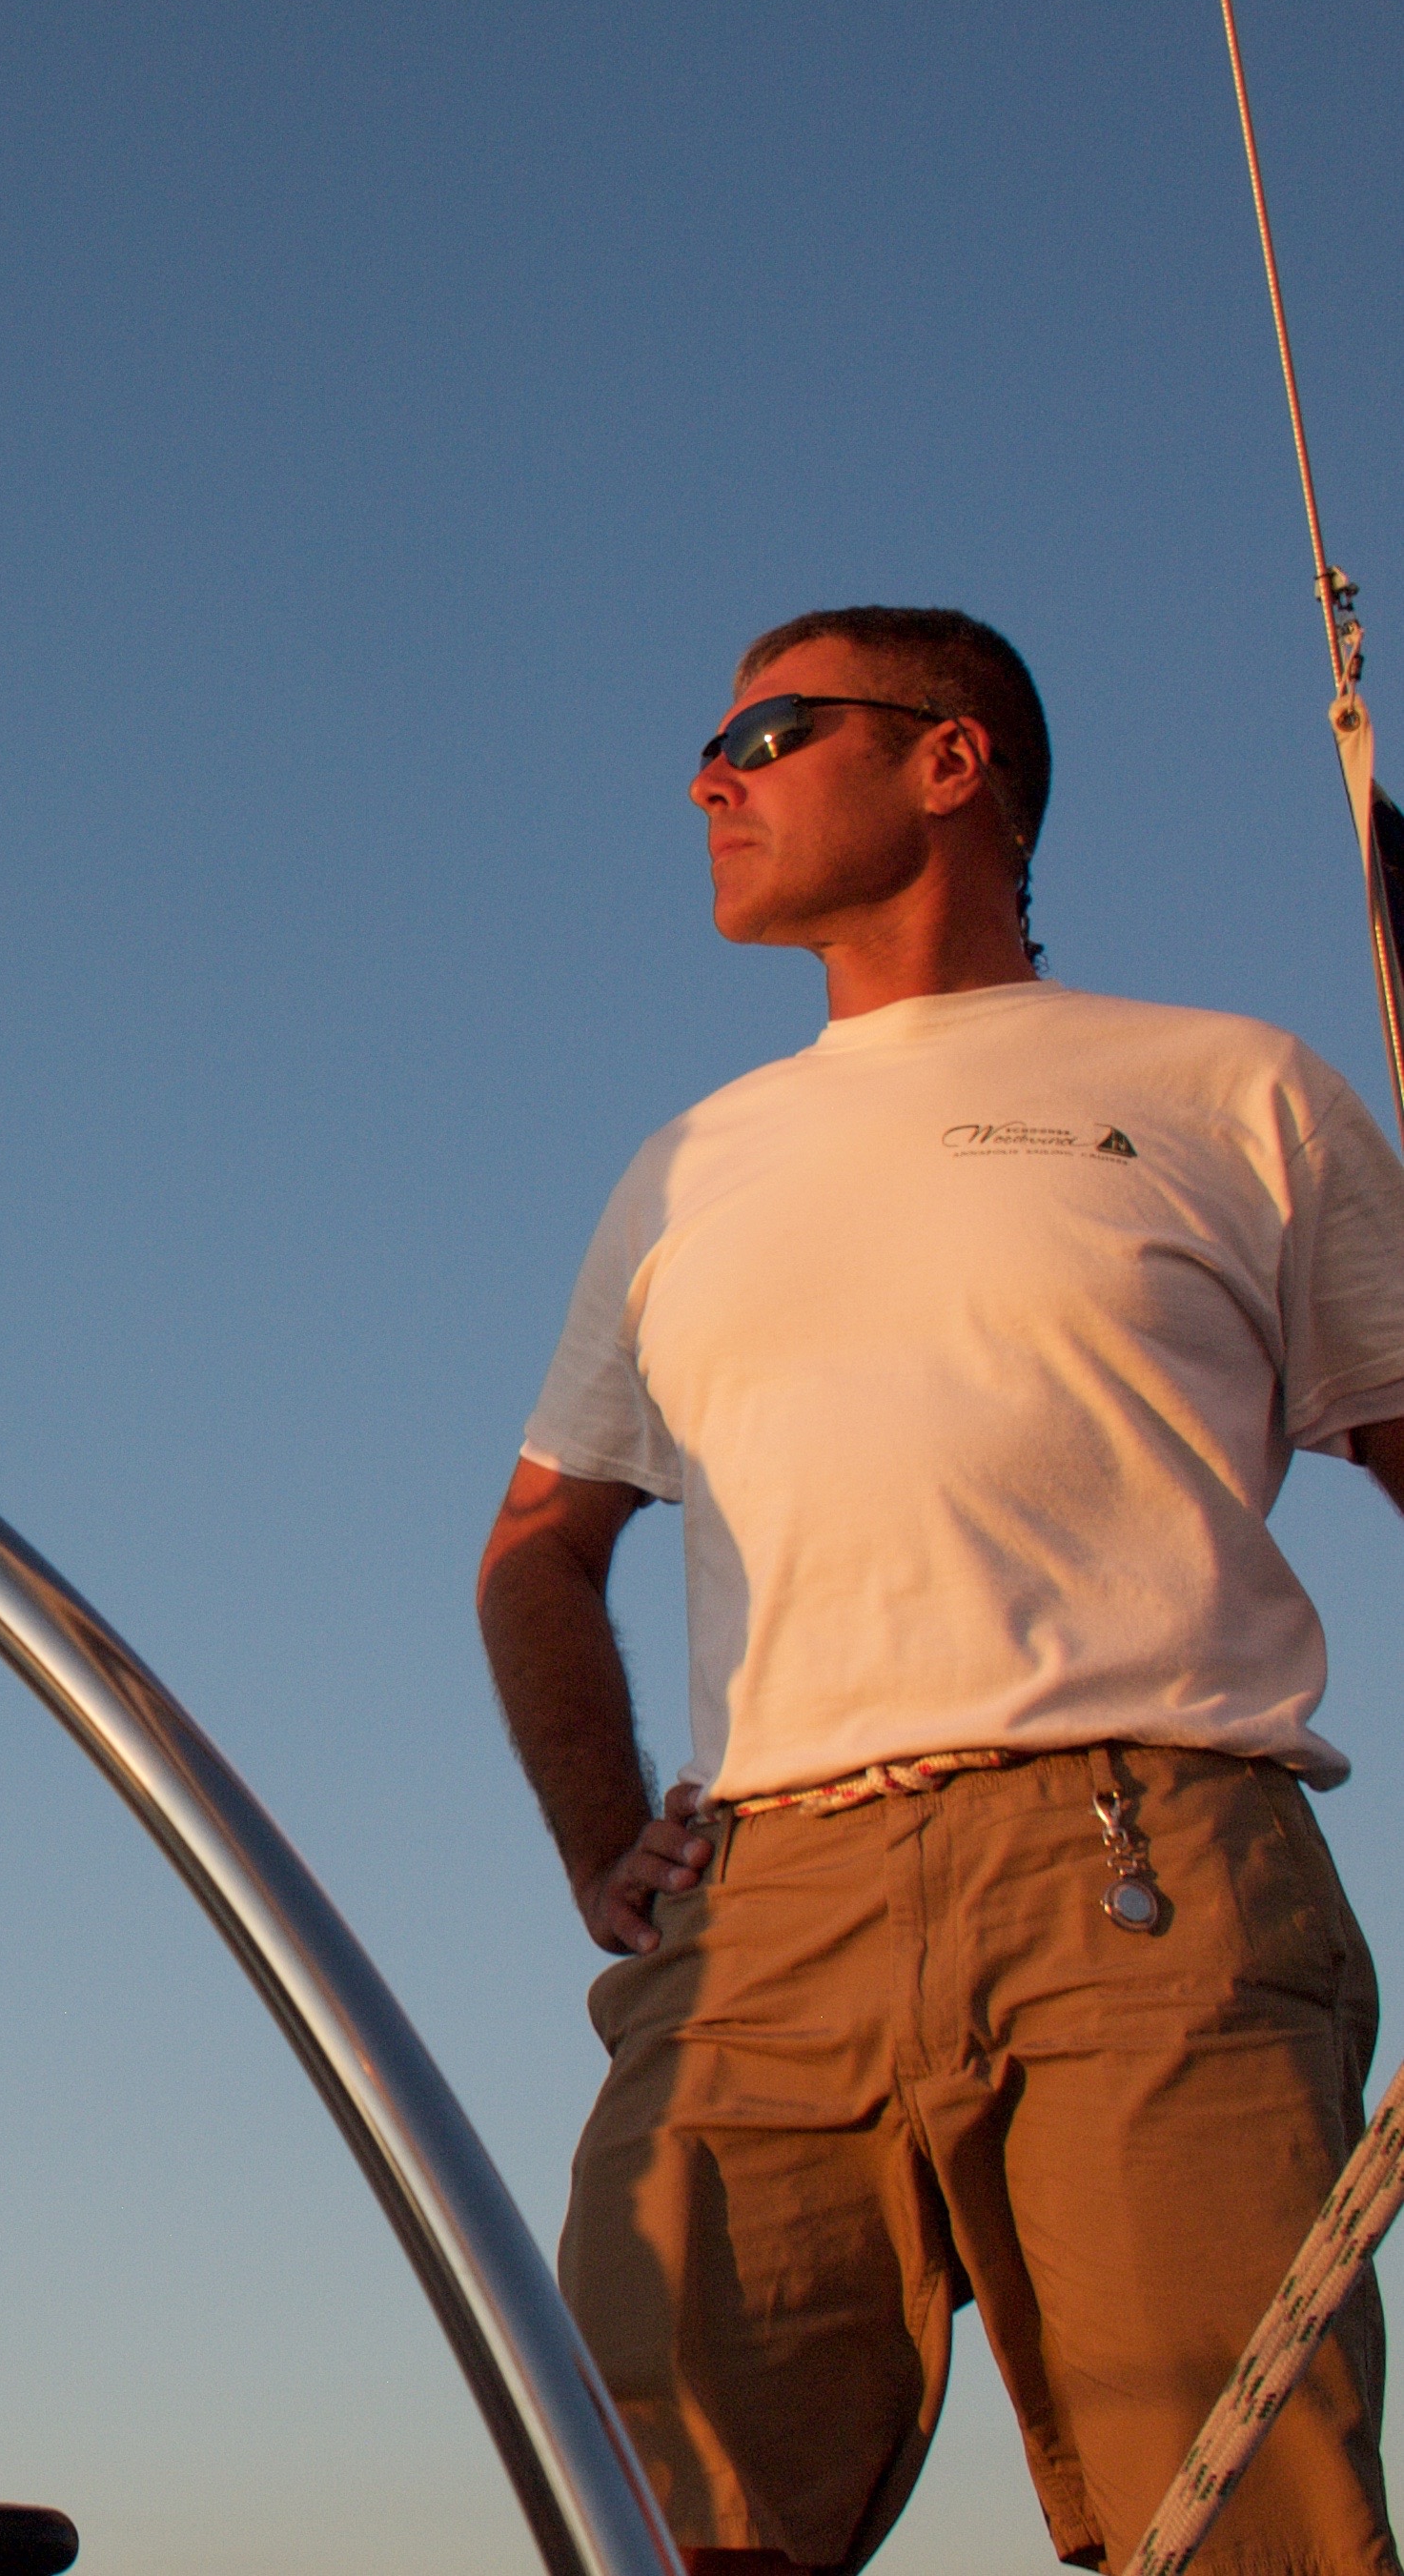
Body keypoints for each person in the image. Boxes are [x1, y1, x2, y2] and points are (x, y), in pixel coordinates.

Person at [478, 604, 1404, 2575]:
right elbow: (536, 1550)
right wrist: (596, 1851)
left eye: (770, 731)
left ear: (949, 759)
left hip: (1144, 1871)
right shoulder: (684, 1165)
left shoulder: (1234, 1089)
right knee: (652, 2526)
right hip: (762, 1921)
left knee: (1243, 2532)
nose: (707, 778)